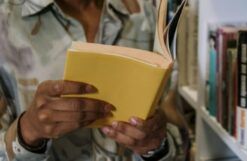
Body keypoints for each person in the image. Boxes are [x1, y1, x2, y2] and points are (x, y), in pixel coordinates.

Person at [0, 0, 179, 160]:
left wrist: (157, 144)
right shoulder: (5, 21)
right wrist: (28, 130)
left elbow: (180, 133)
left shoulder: (147, 13)